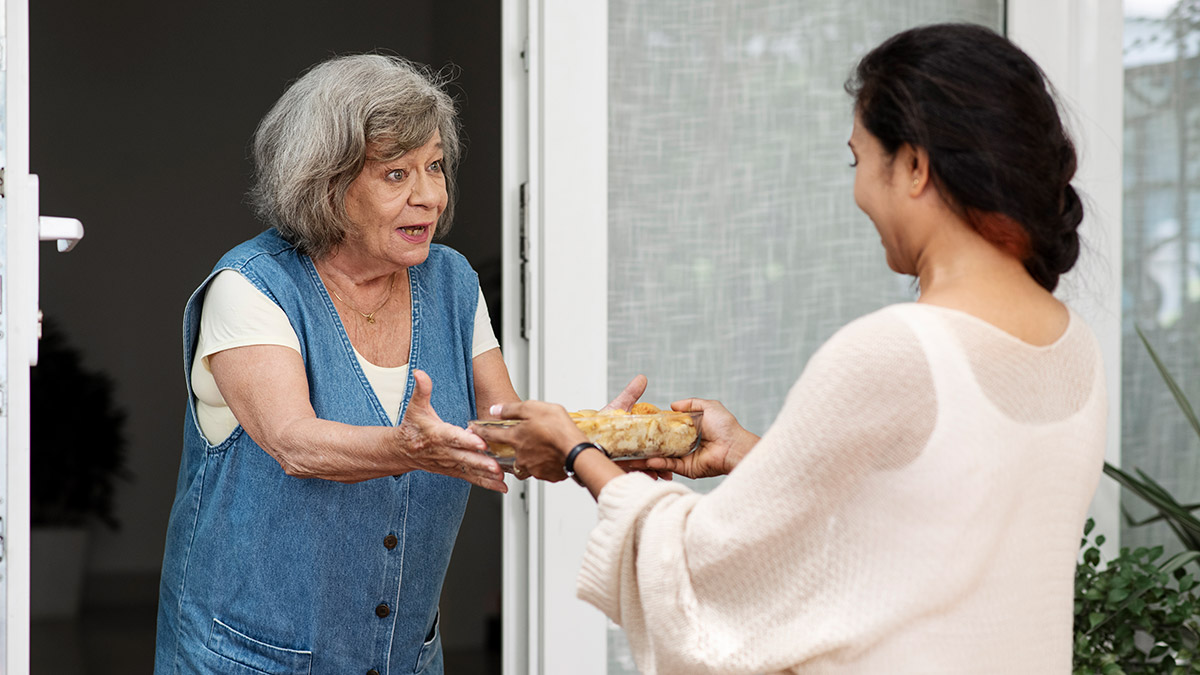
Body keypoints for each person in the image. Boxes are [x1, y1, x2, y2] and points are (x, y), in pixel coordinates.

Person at [476, 23, 1107, 674]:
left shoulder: (895, 349)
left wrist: (575, 449)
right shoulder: (1074, 347)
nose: (858, 190)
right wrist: (754, 453)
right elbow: (921, 526)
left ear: (915, 166)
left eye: (857, 160)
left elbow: (703, 561)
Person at [154, 54, 642, 674]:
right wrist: (412, 448)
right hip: (247, 660)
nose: (430, 196)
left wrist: (594, 440)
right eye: (396, 174)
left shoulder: (452, 281)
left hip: (402, 658)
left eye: (435, 166)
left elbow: (500, 434)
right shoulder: (252, 287)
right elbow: (295, 444)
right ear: (326, 185)